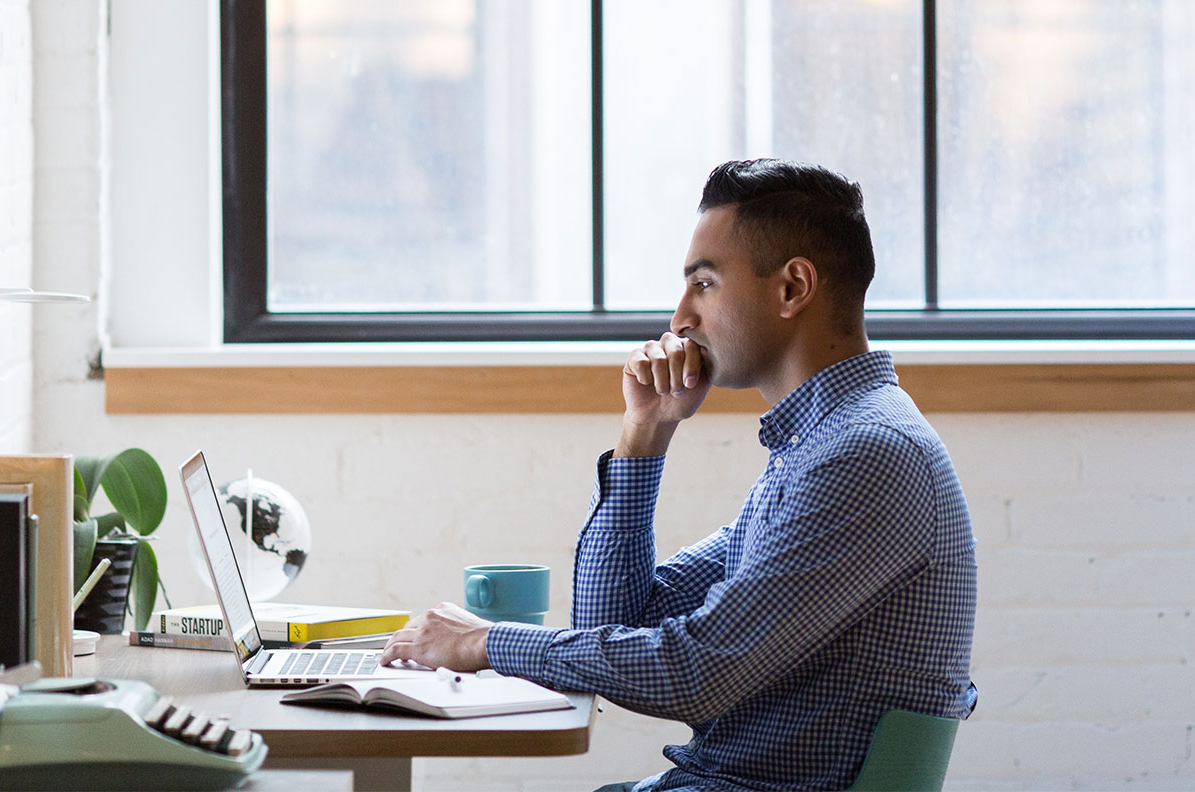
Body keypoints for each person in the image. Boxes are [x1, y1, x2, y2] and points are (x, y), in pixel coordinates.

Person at [382, 159, 977, 791]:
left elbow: (696, 672)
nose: (679, 319)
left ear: (792, 288)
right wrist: (646, 433)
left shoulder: (864, 456)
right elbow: (612, 624)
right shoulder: (817, 448)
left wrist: (485, 643)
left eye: (704, 284)